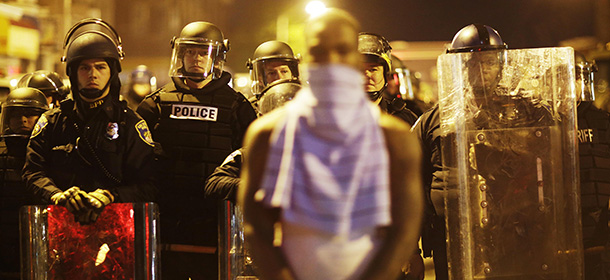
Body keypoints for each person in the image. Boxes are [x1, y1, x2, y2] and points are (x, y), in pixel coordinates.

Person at [239, 8, 423, 280]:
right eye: (319, 51)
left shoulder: (394, 137)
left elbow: (405, 227)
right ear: (306, 60)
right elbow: (255, 225)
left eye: (342, 50)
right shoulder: (267, 133)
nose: (332, 60)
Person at [136, 21, 258, 279]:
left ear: (216, 57)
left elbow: (250, 162)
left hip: (216, 223)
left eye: (204, 53)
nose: (196, 59)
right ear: (180, 55)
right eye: (190, 52)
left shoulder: (237, 107)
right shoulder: (154, 105)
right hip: (167, 221)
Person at [22, 18, 157, 225]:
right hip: (60, 228)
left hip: (115, 233)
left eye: (100, 67)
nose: (92, 74)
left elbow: (149, 184)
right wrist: (57, 196)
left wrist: (111, 196)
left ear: (112, 72)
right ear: (73, 74)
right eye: (84, 68)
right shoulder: (52, 122)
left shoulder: (130, 124)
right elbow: (33, 172)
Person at [0, 87, 49, 279]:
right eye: (17, 115)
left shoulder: (51, 152)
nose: (23, 121)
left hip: (39, 238)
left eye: (30, 115)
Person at [574, 51, 610, 279]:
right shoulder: (547, 123)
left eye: (578, 77)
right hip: (560, 227)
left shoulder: (601, 122)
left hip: (599, 229)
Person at [359, 32, 418, 126]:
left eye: (373, 69)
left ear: (385, 74)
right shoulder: (335, 117)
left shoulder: (404, 120)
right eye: (360, 70)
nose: (367, 75)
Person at [246, 40, 300, 113]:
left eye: (284, 71)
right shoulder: (250, 109)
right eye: (272, 73)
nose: (279, 77)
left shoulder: (304, 102)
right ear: (260, 79)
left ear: (292, 74)